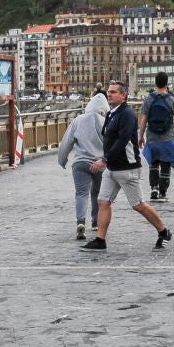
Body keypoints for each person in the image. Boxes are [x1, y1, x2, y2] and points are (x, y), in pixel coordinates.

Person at [80, 81, 173, 252]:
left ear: (123, 95)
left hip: (127, 168)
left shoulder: (127, 114)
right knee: (103, 201)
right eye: (109, 92)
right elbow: (107, 139)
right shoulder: (111, 114)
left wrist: (104, 160)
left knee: (138, 204)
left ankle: (164, 232)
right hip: (112, 168)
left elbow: (122, 141)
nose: (110, 94)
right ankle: (100, 240)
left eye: (114, 92)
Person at [57, 92, 108, 240]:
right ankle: (96, 222)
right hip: (100, 164)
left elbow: (67, 141)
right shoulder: (106, 122)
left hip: (80, 163)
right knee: (97, 192)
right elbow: (112, 144)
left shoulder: (78, 120)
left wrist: (62, 160)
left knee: (81, 193)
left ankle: (80, 222)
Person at [138, 71, 174, 202]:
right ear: (167, 83)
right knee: (166, 165)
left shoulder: (148, 99)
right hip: (167, 138)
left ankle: (153, 187)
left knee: (153, 164)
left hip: (152, 137)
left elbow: (143, 120)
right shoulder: (172, 99)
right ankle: (163, 192)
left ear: (155, 83)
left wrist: (140, 136)